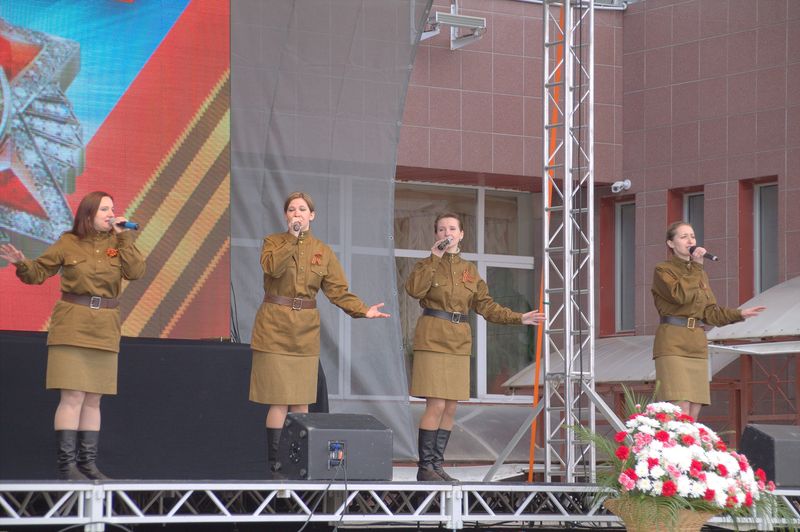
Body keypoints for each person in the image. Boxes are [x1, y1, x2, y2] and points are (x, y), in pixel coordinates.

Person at [0, 191, 146, 480]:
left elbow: (136, 271)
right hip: (72, 325)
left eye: (112, 208)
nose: (111, 214)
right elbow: (37, 273)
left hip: (105, 327)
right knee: (73, 396)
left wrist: (124, 238)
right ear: (88, 214)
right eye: (104, 209)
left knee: (94, 398)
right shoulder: (68, 242)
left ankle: (88, 465)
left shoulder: (118, 244)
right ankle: (67, 467)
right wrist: (21, 263)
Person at [250, 191, 390, 476]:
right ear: (286, 215)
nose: (297, 214)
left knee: (301, 402)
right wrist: (292, 238)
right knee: (279, 400)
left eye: (302, 209)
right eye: (292, 209)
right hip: (274, 328)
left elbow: (337, 291)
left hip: (304, 331)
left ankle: (297, 466)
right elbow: (272, 268)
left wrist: (363, 310)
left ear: (312, 215)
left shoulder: (322, 251)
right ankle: (275, 468)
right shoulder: (273, 242)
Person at [405, 213, 546, 481]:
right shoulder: (427, 264)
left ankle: (437, 465)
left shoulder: (469, 270)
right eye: (441, 229)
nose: (447, 233)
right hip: (432, 339)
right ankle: (425, 468)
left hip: (459, 341)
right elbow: (414, 290)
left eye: (452, 228)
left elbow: (486, 306)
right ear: (436, 235)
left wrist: (519, 317)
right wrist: (434, 258)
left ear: (461, 234)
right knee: (436, 404)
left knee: (450, 407)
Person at [652, 221, 765, 420]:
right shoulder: (663, 270)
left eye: (692, 236)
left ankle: (690, 441)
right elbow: (680, 296)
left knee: (694, 410)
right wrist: (696, 267)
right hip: (672, 343)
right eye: (683, 237)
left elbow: (710, 313)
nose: (690, 240)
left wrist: (740, 314)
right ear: (671, 243)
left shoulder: (700, 274)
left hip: (696, 344)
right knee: (680, 408)